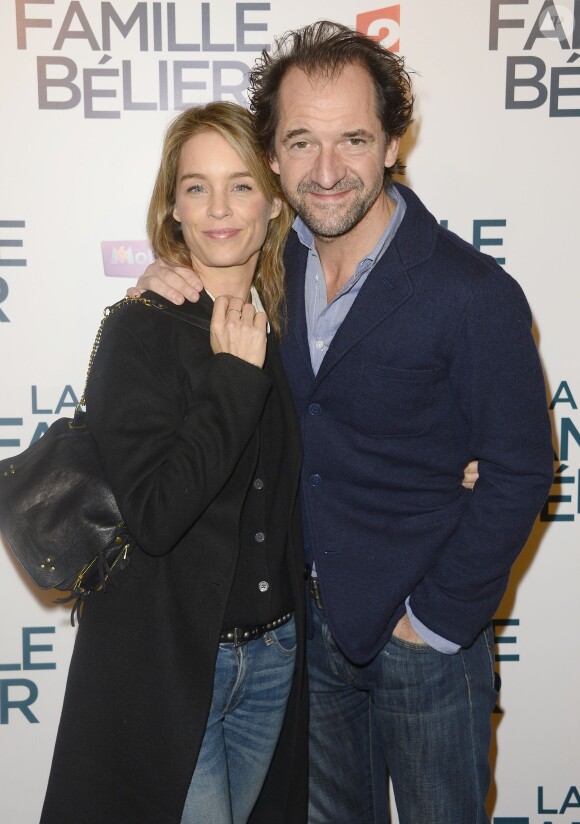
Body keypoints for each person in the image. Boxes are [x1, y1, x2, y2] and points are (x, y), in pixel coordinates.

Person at [132, 21, 554, 824]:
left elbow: (522, 468)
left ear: (394, 142)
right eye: (301, 143)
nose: (327, 171)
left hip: (427, 641)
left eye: (353, 139)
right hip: (303, 640)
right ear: (274, 155)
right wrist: (172, 266)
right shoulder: (266, 261)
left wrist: (431, 621)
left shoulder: (472, 293)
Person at [40, 102, 308, 824]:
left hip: (275, 660)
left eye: (241, 184)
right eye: (197, 187)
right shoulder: (140, 330)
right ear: (173, 210)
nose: (220, 208)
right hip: (171, 669)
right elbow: (156, 516)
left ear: (276, 198)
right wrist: (233, 378)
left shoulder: (283, 323)